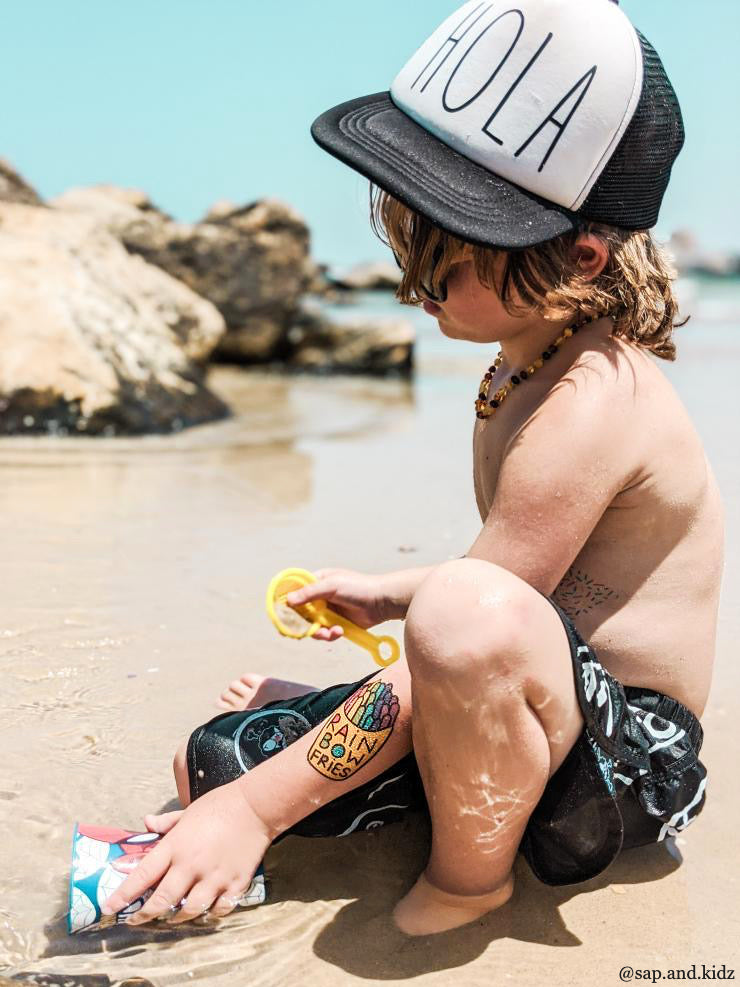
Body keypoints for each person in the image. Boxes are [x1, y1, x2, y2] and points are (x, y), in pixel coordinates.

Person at [103, 0, 724, 936]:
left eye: (452, 259)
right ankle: (403, 736)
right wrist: (390, 593)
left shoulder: (590, 401)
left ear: (581, 258)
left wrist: (255, 813)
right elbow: (521, 577)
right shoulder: (525, 358)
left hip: (624, 762)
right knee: (211, 760)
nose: (418, 289)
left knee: (269, 773)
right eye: (413, 247)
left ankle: (470, 881)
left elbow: (484, 608)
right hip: (527, 701)